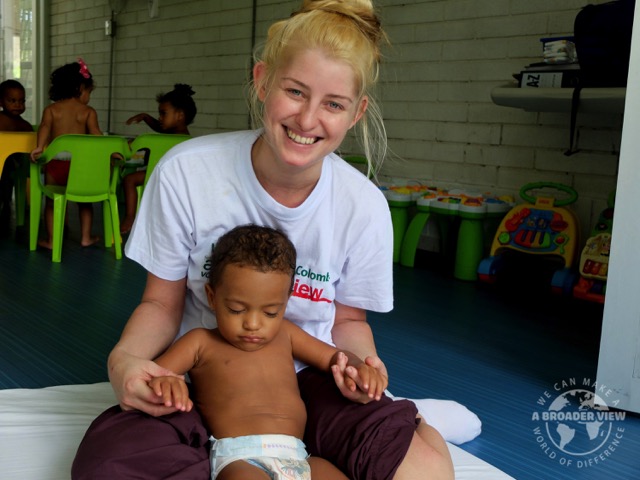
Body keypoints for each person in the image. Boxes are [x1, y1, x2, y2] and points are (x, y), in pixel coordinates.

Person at [72, 1, 455, 479]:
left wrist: (359, 364)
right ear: (262, 81)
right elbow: (161, 304)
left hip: (310, 388)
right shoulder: (187, 172)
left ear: (356, 113)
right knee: (108, 465)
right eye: (295, 92)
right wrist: (125, 361)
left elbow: (348, 320)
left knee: (424, 471)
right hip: (199, 384)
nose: (308, 119)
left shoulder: (363, 205)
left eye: (333, 104)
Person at [150, 224, 389, 479]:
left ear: (285, 304)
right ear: (212, 296)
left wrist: (358, 368)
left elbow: (334, 357)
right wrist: (167, 382)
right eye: (236, 309)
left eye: (270, 312)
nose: (253, 324)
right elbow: (156, 374)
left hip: (299, 456)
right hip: (240, 459)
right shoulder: (199, 342)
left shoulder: (286, 334)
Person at [30, 58, 103, 249]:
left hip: (56, 164)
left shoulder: (51, 110)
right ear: (80, 88)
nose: (89, 97)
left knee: (51, 202)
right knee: (84, 202)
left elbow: (44, 128)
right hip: (79, 167)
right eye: (89, 92)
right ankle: (86, 237)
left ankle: (53, 241)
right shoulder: (88, 112)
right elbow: (98, 137)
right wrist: (111, 155)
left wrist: (39, 147)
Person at [120, 83, 196, 234]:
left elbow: (159, 128)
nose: (160, 118)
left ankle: (130, 217)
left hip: (160, 177)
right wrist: (146, 117)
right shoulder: (185, 138)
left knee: (129, 179)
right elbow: (160, 126)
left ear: (180, 115)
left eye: (163, 114)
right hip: (178, 180)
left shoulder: (166, 138)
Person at [0, 79, 33, 235]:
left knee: (8, 176)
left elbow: (29, 145)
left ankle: (6, 202)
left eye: (21, 101)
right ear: (1, 102)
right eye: (12, 101)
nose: (17, 105)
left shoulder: (24, 125)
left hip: (11, 167)